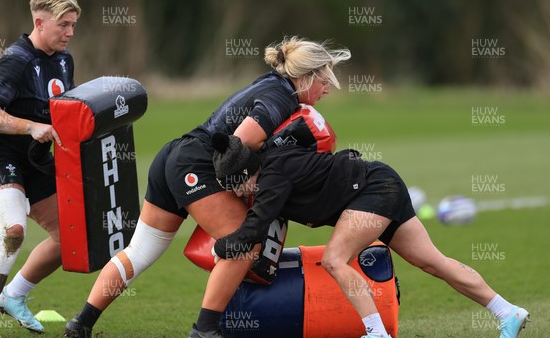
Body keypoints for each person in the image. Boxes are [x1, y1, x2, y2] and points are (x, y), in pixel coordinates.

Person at [64, 36, 351, 338]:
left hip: (175, 156)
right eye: (323, 80)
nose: (328, 88)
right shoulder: (280, 97)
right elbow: (240, 142)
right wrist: (248, 175)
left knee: (141, 250)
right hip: (196, 165)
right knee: (246, 243)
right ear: (304, 78)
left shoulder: (271, 82)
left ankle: (81, 322)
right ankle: (205, 330)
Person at [209, 132, 530, 338]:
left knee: (335, 259)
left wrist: (218, 247)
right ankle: (507, 312)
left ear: (243, 174)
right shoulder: (272, 166)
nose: (235, 193)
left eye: (233, 185)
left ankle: (376, 333)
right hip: (380, 182)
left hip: (372, 191)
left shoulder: (270, 180)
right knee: (434, 262)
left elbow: (254, 227)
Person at [0, 0, 81, 338]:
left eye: (74, 25)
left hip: (33, 158)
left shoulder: (64, 60)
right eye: (64, 25)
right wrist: (30, 126)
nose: (70, 33)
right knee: (13, 230)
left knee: (72, 236)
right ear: (39, 22)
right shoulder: (16, 60)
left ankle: (13, 296)